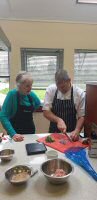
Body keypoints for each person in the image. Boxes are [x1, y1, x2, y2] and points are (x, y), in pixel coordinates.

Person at [43, 69, 85, 141]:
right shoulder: (51, 90)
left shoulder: (79, 93)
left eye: (63, 87)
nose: (61, 89)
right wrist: (58, 120)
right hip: (54, 132)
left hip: (71, 133)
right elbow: (46, 112)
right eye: (58, 86)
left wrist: (77, 130)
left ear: (69, 80)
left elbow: (82, 116)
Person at [0, 71, 41, 142]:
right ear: (19, 85)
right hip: (15, 135)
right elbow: (3, 116)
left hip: (30, 132)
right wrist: (13, 134)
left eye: (31, 85)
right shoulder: (12, 94)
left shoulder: (30, 94)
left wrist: (31, 110)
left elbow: (38, 104)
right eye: (27, 86)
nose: (30, 88)